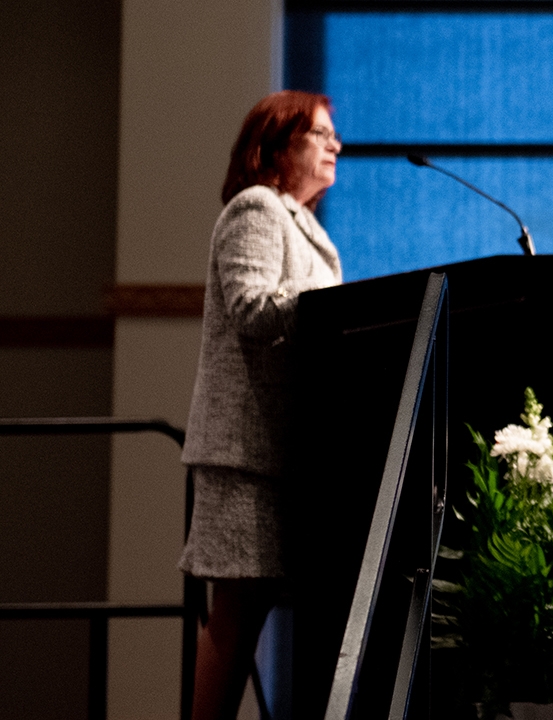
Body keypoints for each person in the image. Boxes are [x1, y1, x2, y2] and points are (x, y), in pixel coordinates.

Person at [179, 90, 343, 720]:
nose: (336, 146)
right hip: (246, 452)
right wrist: (336, 308)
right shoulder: (256, 209)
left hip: (283, 451)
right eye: (320, 134)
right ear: (277, 145)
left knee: (253, 611)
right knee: (237, 610)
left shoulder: (303, 224)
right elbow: (252, 309)